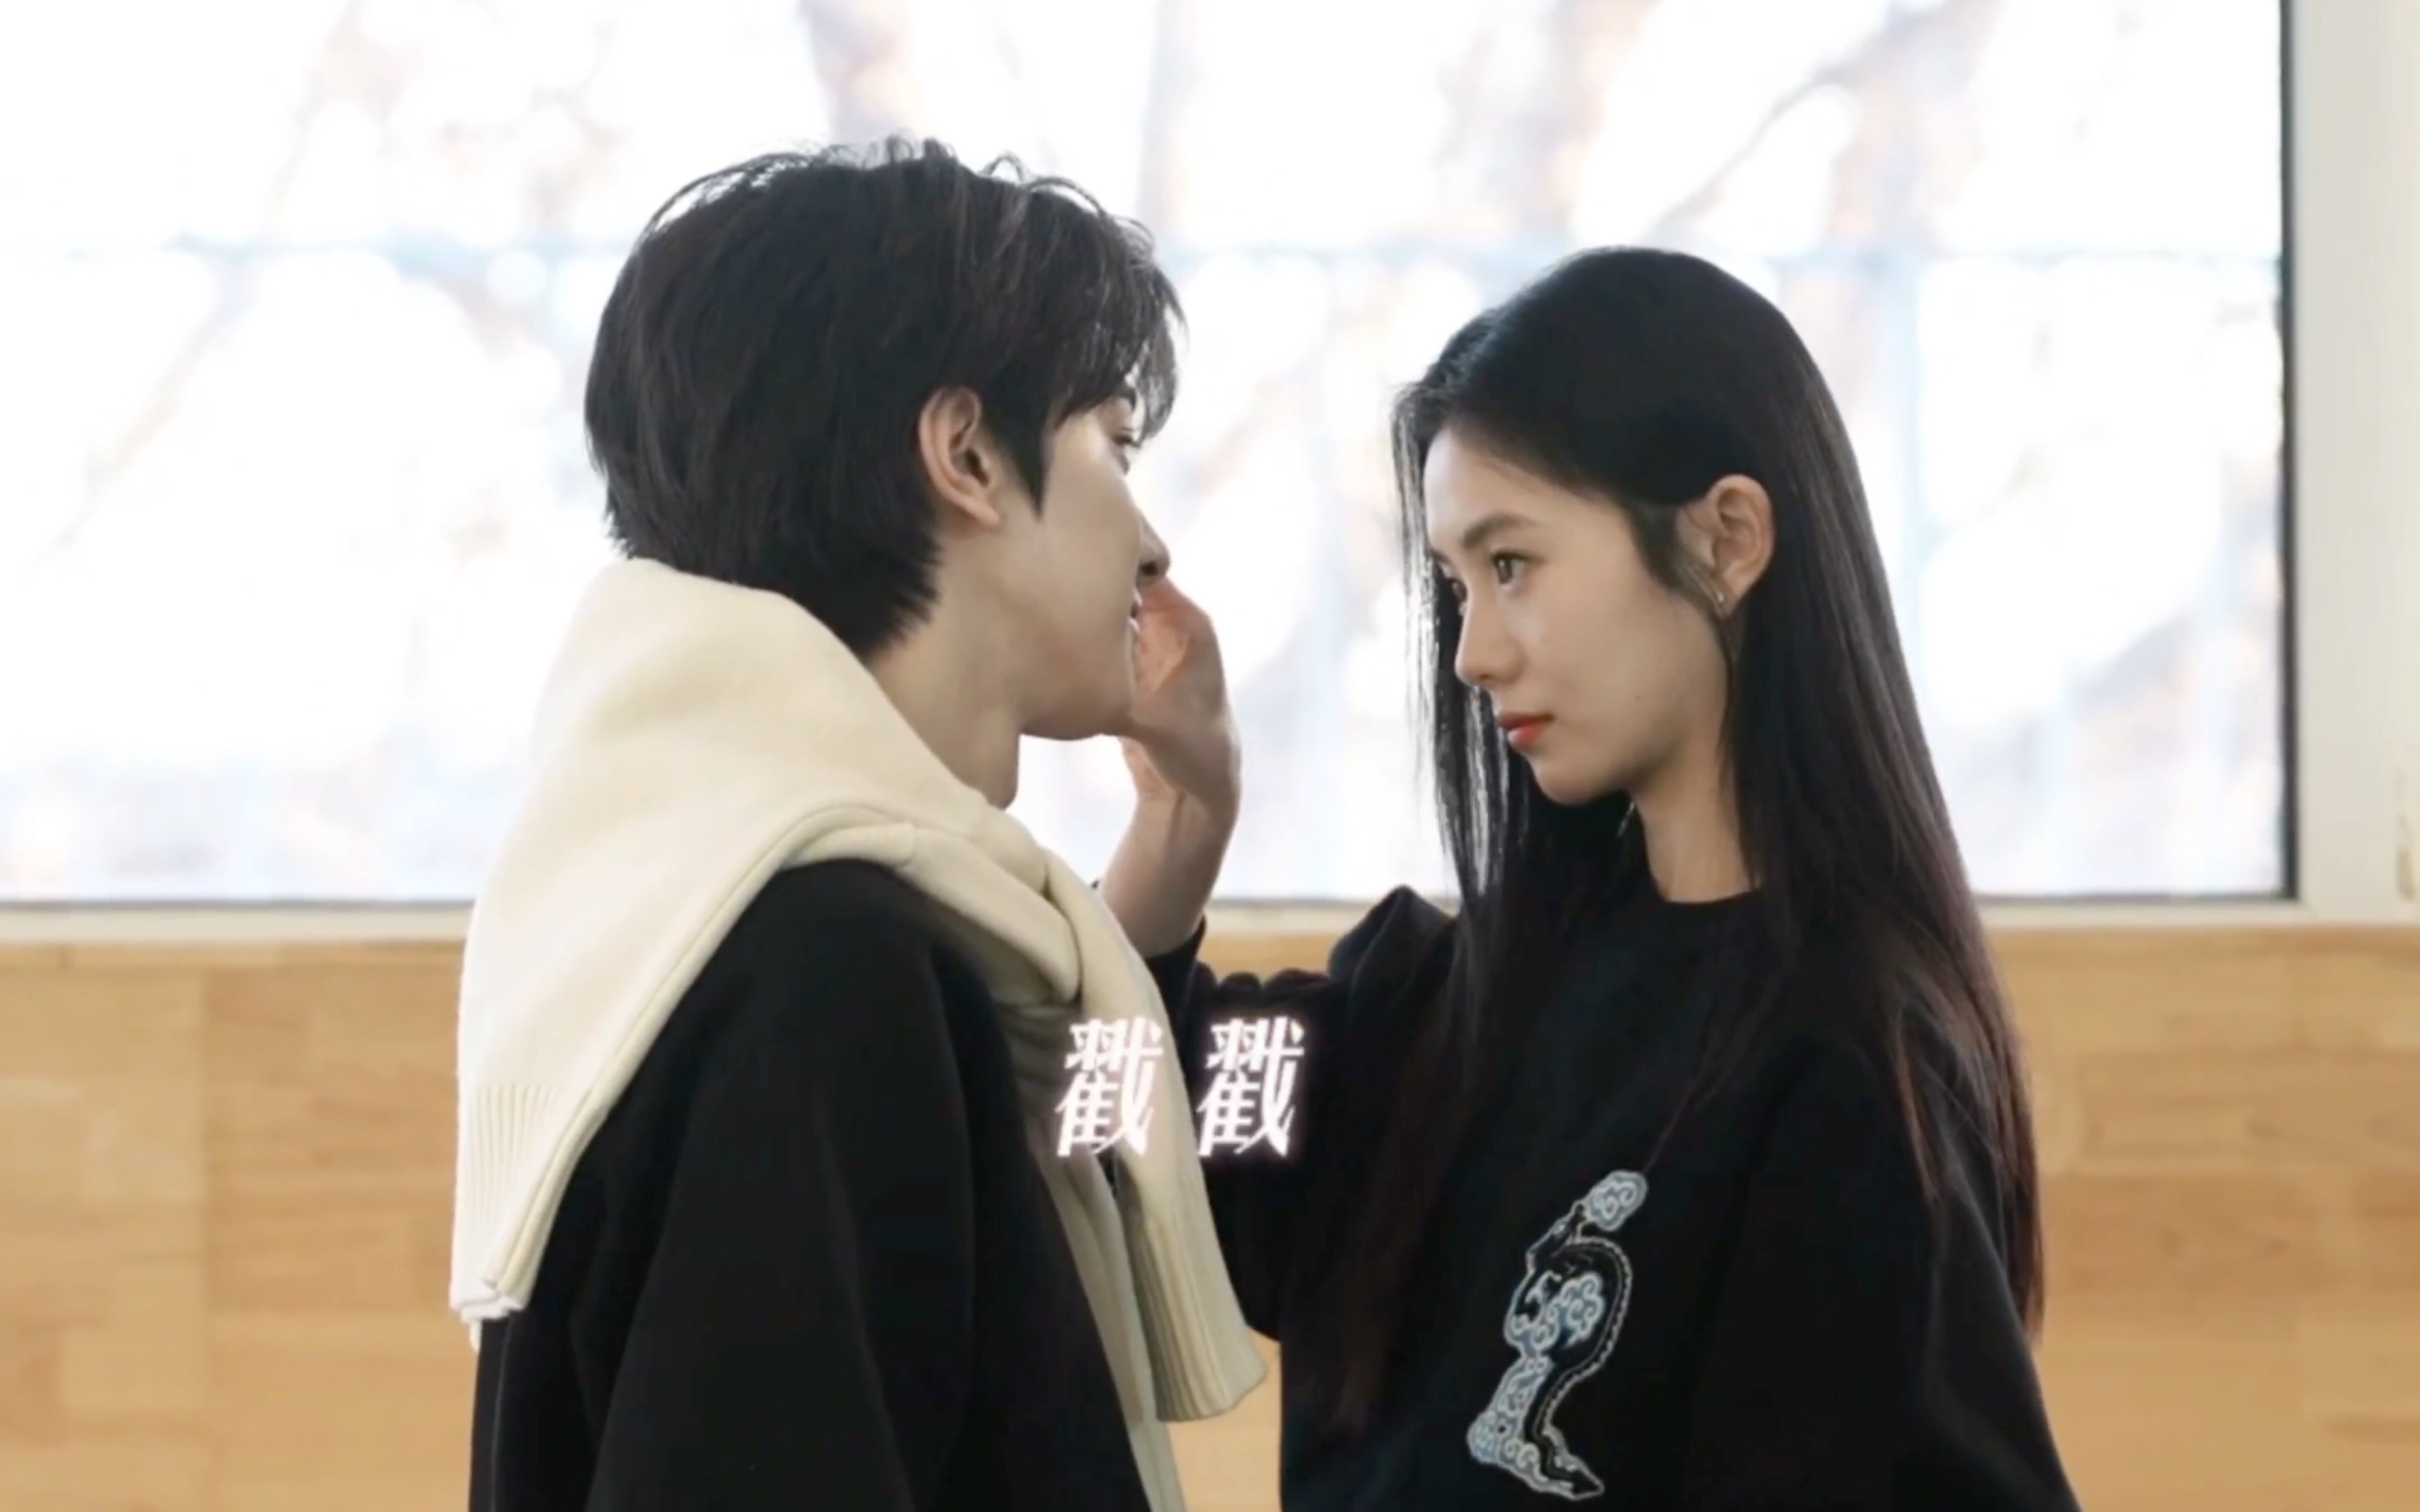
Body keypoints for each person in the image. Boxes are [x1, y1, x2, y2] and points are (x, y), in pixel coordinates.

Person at [1122, 248, 2083, 1508]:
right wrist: (1179, 832)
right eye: (1455, 585)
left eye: (1512, 564)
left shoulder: (1847, 1074)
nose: (1470, 653)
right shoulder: (1426, 1011)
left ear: (1727, 539)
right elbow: (1104, 1144)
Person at [448, 138, 1263, 1512]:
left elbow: (1107, 1126)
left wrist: (1181, 836)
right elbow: (1263, 1141)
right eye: (1115, 448)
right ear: (967, 454)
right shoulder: (824, 965)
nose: (1151, 543)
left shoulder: (686, 895)